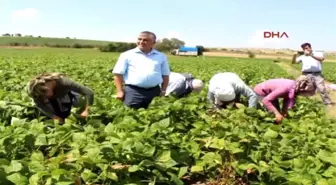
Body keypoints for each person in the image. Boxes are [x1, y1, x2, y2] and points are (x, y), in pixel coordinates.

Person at [111, 31, 170, 109]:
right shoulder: (127, 55)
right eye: (139, 39)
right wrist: (120, 91)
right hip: (133, 91)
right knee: (130, 114)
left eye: (145, 40)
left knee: (154, 114)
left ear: (153, 42)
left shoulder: (161, 56)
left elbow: (165, 75)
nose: (141, 42)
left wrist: (163, 91)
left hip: (155, 91)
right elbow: (117, 74)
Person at [26, 72, 94, 123]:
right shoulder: (39, 92)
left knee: (80, 101)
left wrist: (86, 110)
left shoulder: (64, 82)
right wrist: (53, 116)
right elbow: (38, 103)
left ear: (46, 88)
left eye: (44, 95)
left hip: (66, 93)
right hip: (56, 97)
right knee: (56, 114)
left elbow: (89, 92)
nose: (44, 98)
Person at [292, 42, 332, 107]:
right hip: (305, 74)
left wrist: (311, 54)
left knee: (321, 88)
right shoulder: (302, 56)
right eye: (304, 49)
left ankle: (328, 103)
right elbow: (294, 62)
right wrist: (294, 55)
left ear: (310, 47)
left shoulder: (317, 53)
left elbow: (321, 59)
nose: (306, 49)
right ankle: (298, 102)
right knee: (302, 88)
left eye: (307, 48)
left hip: (317, 74)